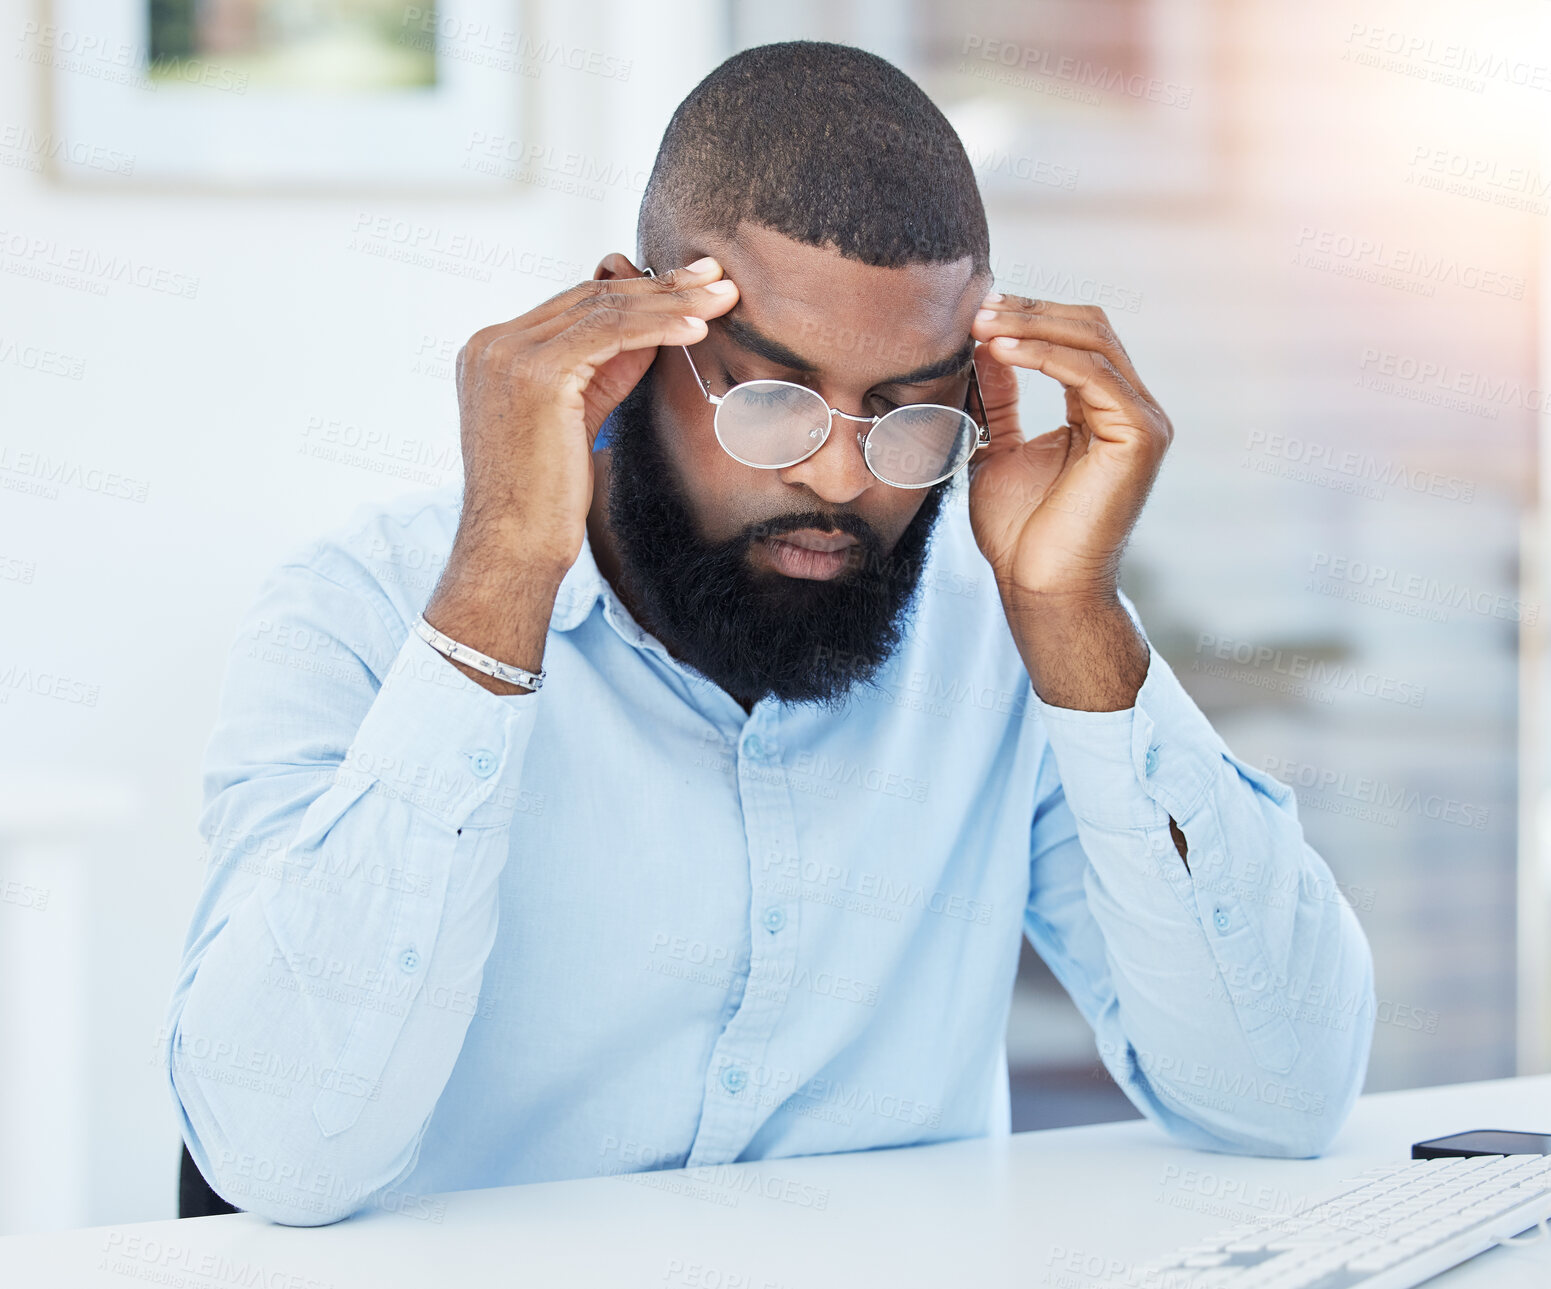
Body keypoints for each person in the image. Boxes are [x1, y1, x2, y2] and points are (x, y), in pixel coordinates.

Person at [163, 40, 1374, 1226]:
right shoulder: (359, 608)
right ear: (629, 339)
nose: (845, 478)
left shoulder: (1003, 624)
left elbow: (1283, 1095)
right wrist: (504, 572)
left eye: (908, 413)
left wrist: (1073, 613)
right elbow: (280, 1158)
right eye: (772, 398)